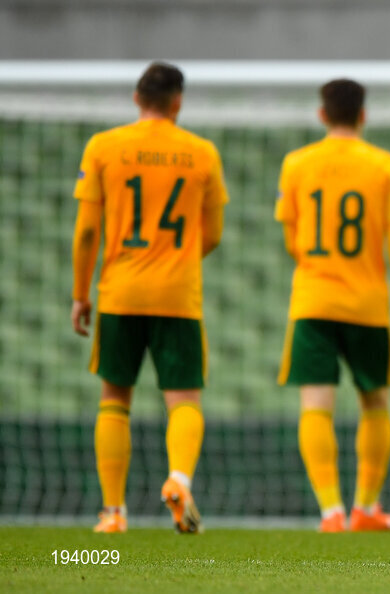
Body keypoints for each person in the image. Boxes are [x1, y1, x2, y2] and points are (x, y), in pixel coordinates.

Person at [70, 62, 229, 534]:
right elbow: (213, 234)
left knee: (115, 398)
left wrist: (80, 294)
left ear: (137, 99)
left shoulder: (103, 147)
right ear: (178, 102)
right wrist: (175, 260)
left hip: (120, 292)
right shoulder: (202, 153)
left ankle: (113, 513)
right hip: (177, 295)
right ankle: (179, 479)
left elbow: (87, 232)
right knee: (183, 400)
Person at [275, 78, 390, 533]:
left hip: (313, 300)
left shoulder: (296, 164)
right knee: (375, 402)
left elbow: (292, 239)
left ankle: (330, 512)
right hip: (366, 304)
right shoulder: (384, 165)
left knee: (315, 405)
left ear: (322, 114)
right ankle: (365, 508)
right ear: (363, 115)